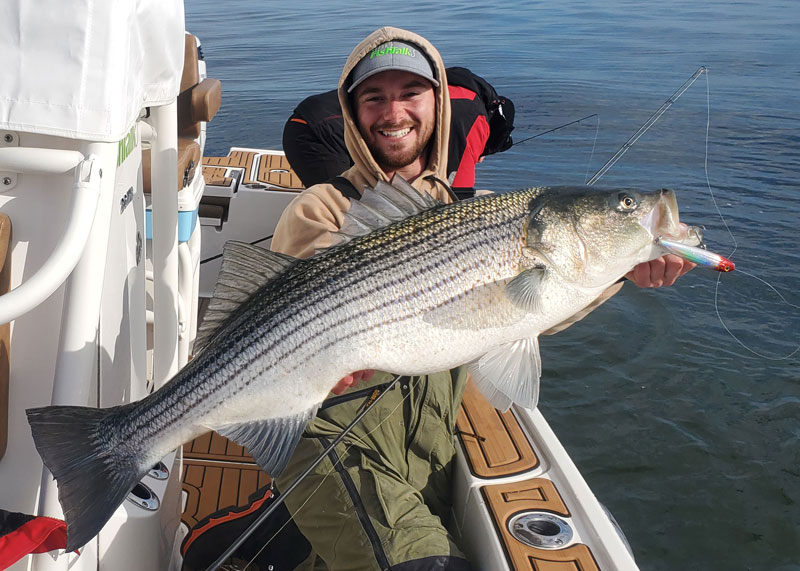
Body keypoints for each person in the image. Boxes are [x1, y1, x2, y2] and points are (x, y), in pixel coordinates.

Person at [271, 26, 693, 571]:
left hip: (430, 451)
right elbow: (292, 332)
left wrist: (622, 271)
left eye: (410, 94)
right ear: (353, 114)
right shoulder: (321, 207)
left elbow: (527, 308)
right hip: (335, 444)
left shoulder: (471, 210)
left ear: (438, 104)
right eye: (374, 97)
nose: (393, 112)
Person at [282, 67, 514, 199]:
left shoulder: (451, 90)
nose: (480, 158)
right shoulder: (473, 114)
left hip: (315, 117)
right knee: (350, 208)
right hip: (314, 133)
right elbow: (458, 194)